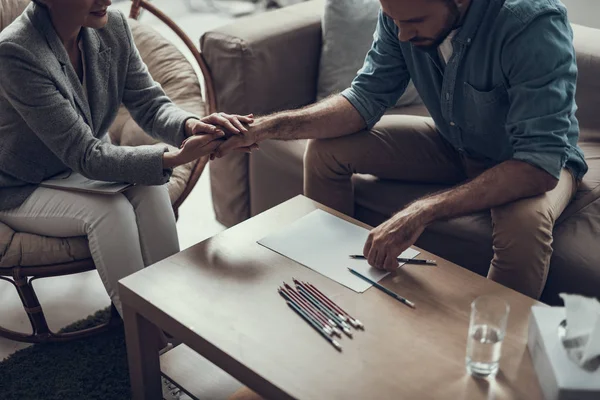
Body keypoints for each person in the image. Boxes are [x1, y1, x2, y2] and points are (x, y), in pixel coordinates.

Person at [214, 0, 588, 300]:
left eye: (416, 21)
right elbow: (364, 99)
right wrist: (263, 128)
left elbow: (538, 163)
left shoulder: (531, 21)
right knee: (328, 152)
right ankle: (332, 284)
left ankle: (490, 358)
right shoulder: (400, 17)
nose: (404, 34)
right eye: (394, 20)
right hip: (454, 141)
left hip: (528, 162)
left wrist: (422, 211)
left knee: (524, 230)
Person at [0, 0, 255, 316]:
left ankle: (177, 310)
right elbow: (86, 155)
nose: (106, 0)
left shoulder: (113, 27)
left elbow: (150, 105)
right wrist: (173, 159)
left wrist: (192, 126)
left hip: (86, 164)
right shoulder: (15, 51)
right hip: (25, 184)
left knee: (150, 187)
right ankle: (141, 330)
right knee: (112, 212)